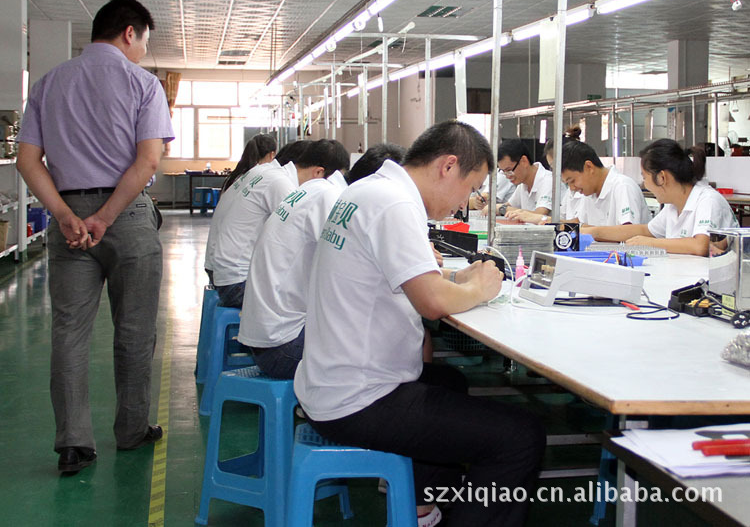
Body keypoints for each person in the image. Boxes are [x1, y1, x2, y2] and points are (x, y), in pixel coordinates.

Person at [294, 121, 546, 527]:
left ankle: (421, 509)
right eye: (470, 187)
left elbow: (403, 277)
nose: (465, 203)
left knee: (448, 383)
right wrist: (480, 287)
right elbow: (431, 303)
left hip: (329, 379)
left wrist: (456, 281)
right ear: (448, 166)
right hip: (357, 398)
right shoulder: (395, 204)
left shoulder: (368, 190)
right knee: (519, 438)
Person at [16, 0, 174, 474]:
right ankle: (131, 430)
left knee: (69, 332)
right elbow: (148, 161)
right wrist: (105, 216)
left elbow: (28, 160)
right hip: (124, 216)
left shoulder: (48, 84)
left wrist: (64, 215)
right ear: (130, 32)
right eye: (145, 40)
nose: (144, 50)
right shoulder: (144, 85)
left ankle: (73, 444)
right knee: (134, 331)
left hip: (70, 223)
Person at [237, 140, 350, 378]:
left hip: (265, 339)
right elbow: (347, 261)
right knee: (372, 341)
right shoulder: (326, 193)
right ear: (322, 172)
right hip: (282, 349)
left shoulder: (302, 192)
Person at [204, 139, 332, 307]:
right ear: (318, 172)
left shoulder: (263, 171)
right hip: (236, 282)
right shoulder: (280, 183)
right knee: (314, 304)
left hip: (223, 271)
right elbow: (298, 236)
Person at [586, 139, 737, 255]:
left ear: (662, 177)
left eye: (645, 177)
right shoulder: (673, 206)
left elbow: (700, 246)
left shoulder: (707, 200)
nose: (644, 184)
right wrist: (594, 232)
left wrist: (650, 243)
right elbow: (645, 230)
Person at [559, 140, 651, 227]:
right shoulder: (589, 193)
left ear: (589, 167)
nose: (572, 188)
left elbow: (628, 231)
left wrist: (589, 231)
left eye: (572, 181)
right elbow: (580, 223)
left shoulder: (623, 186)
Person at [492, 139, 552, 221]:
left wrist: (502, 208)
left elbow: (539, 215)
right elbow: (509, 205)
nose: (507, 176)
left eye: (509, 170)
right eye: (503, 172)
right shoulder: (522, 184)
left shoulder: (548, 180)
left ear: (524, 161)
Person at [468, 142, 516, 211]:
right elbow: (460, 202)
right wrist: (473, 202)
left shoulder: (500, 176)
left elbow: (484, 198)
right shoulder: (471, 178)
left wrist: (475, 202)